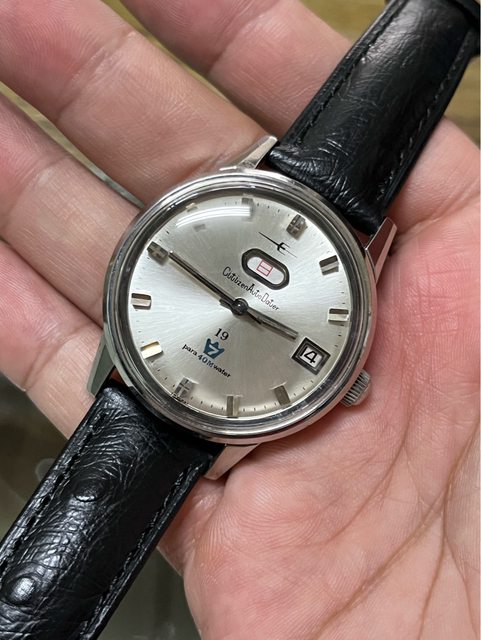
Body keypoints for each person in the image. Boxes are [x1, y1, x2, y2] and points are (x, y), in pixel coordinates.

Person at [0, 0, 478, 637]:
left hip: (189, 394)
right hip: (148, 370)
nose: (238, 306)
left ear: (346, 381)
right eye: (235, 303)